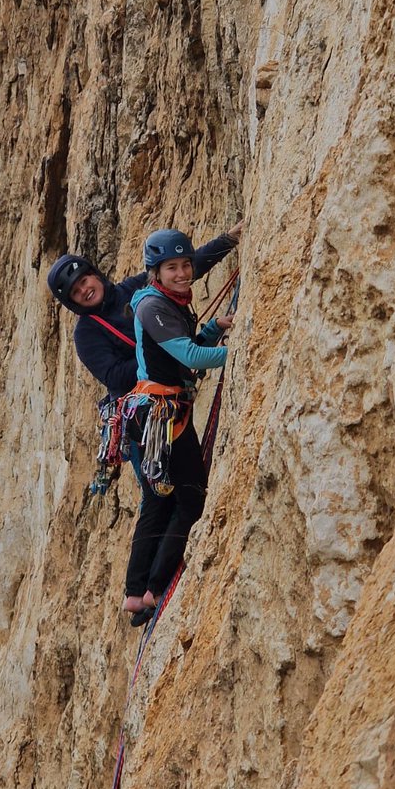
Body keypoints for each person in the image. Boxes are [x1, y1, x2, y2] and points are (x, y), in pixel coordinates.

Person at [122, 228, 235, 623]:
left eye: (186, 264)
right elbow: (190, 356)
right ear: (155, 272)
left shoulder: (167, 300)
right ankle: (151, 589)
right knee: (189, 497)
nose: (183, 272)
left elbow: (185, 350)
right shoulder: (153, 307)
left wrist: (216, 327)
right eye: (172, 267)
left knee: (159, 501)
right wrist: (239, 347)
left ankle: (135, 593)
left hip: (157, 412)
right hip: (162, 415)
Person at [46, 221, 241, 400]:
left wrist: (227, 240)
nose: (84, 290)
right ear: (72, 302)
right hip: (146, 407)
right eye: (75, 292)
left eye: (83, 281)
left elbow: (176, 274)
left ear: (94, 275)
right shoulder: (86, 333)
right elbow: (114, 377)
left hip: (173, 390)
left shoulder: (131, 289)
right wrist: (160, 349)